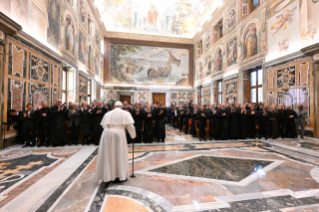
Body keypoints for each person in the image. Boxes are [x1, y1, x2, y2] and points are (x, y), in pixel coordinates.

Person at [95, 101, 136, 183]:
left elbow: (103, 125)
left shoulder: (108, 113)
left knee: (107, 154)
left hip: (106, 134)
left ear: (114, 106)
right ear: (121, 107)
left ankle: (106, 176)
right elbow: (130, 126)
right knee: (119, 154)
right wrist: (133, 135)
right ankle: (120, 176)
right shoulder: (125, 113)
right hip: (119, 134)